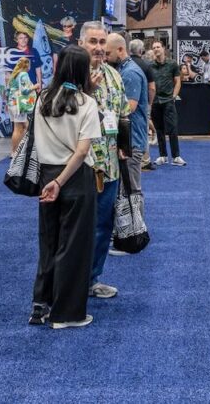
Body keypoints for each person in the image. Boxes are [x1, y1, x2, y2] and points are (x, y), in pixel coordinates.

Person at [29, 45, 101, 330]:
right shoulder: (87, 103)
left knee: (48, 241)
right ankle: (67, 314)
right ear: (83, 70)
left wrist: (53, 181)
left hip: (46, 174)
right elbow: (82, 151)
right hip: (74, 177)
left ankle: (40, 305)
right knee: (74, 245)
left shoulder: (42, 98)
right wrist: (61, 181)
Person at [79, 21, 129, 300]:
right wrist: (85, 91)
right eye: (93, 42)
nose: (98, 48)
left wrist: (124, 146)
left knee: (102, 226)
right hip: (79, 166)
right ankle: (71, 281)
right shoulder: (70, 76)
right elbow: (61, 114)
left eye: (101, 43)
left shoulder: (114, 75)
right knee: (77, 228)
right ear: (81, 43)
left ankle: (91, 279)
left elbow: (122, 115)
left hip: (109, 165)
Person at [106, 32, 149, 244]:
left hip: (132, 140)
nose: (105, 57)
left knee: (133, 188)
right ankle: (130, 229)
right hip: (129, 138)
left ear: (120, 50)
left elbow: (128, 108)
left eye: (108, 53)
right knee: (128, 187)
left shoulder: (130, 73)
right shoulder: (123, 70)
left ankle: (136, 233)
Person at [150, 40, 185, 166]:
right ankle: (162, 156)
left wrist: (174, 96)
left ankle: (176, 156)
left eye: (158, 47)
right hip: (155, 101)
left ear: (163, 49)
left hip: (168, 101)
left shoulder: (172, 64)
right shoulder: (150, 66)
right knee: (159, 129)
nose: (156, 49)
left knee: (172, 129)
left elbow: (178, 81)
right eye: (154, 47)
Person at [129, 39, 157, 171]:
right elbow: (152, 88)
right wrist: (149, 104)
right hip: (141, 104)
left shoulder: (125, 64)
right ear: (141, 51)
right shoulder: (146, 66)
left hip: (126, 103)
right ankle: (144, 160)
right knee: (143, 131)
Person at [6, 57, 37, 156]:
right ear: (27, 65)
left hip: (13, 104)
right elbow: (25, 90)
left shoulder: (14, 75)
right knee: (18, 128)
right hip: (19, 105)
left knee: (25, 126)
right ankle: (14, 152)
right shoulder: (23, 74)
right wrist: (35, 86)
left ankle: (21, 149)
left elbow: (8, 90)